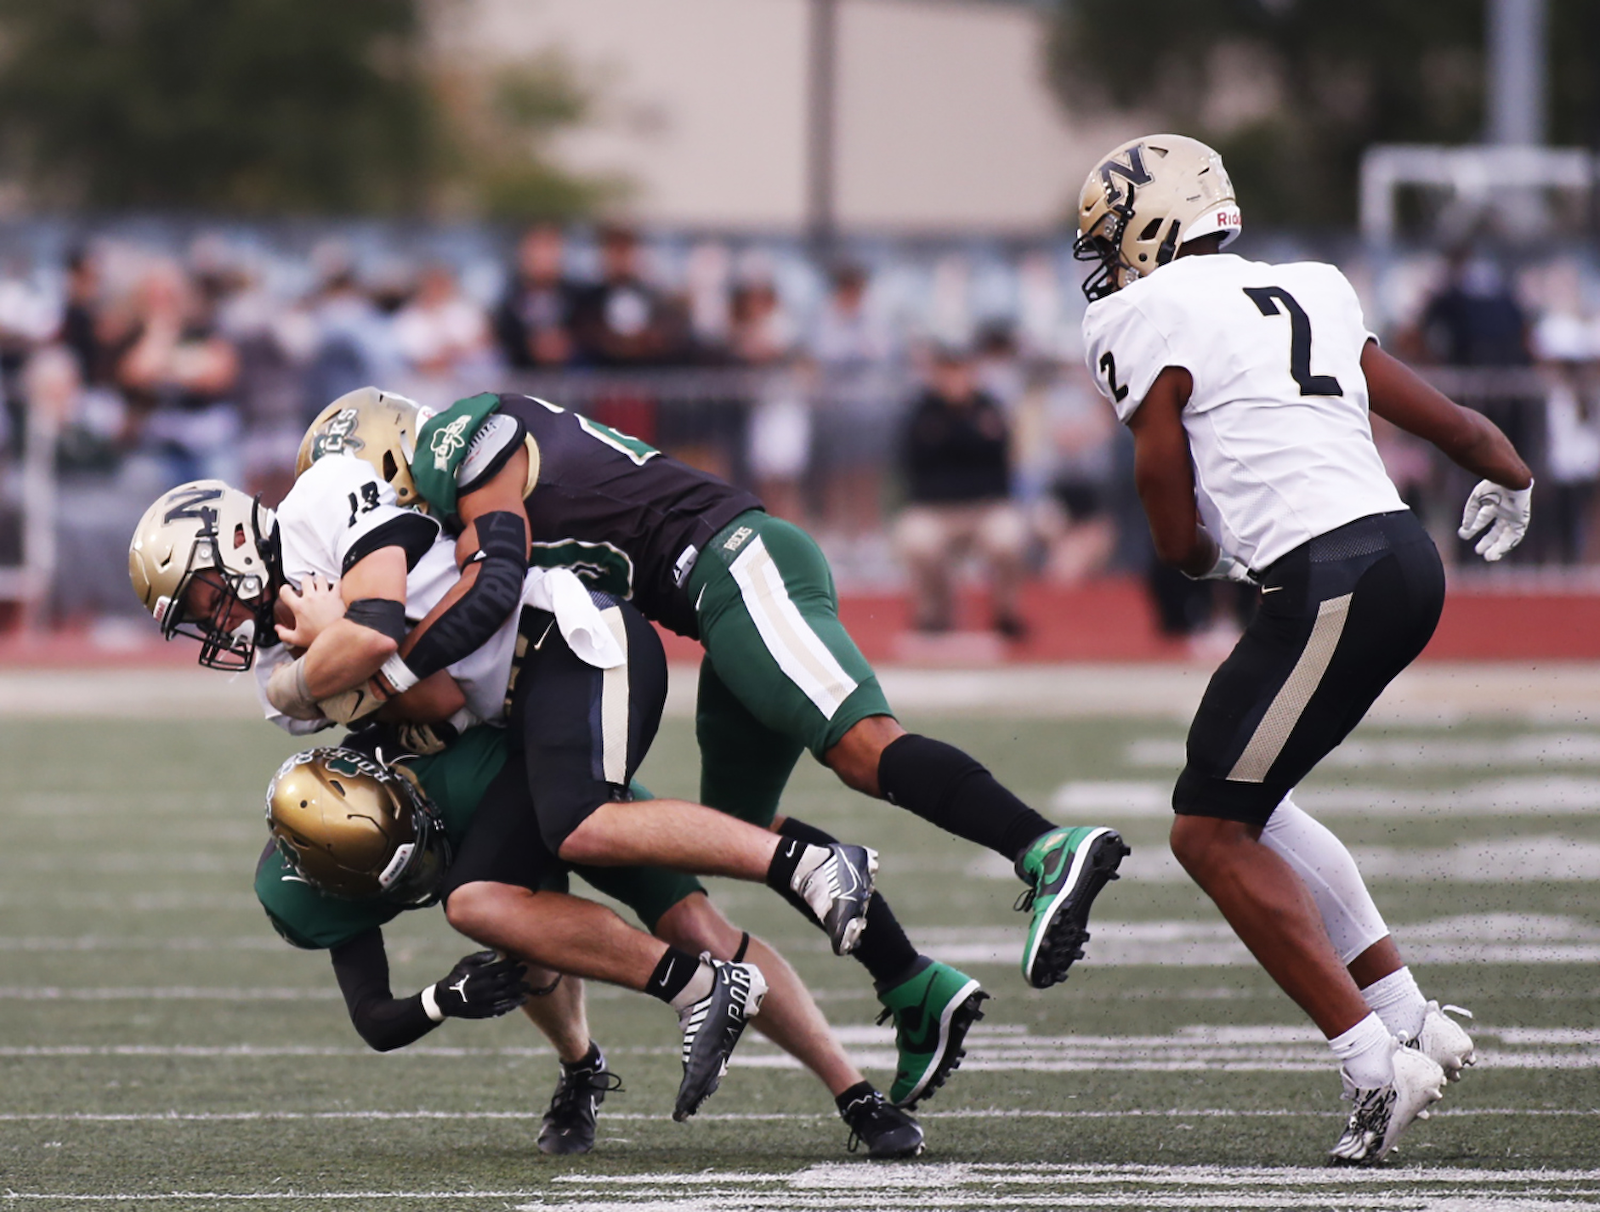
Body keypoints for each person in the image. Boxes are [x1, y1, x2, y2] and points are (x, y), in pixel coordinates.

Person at [295, 386, 1131, 1111]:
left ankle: (1040, 847)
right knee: (737, 834)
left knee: (861, 749)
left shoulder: (462, 437)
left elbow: (498, 586)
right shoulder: (446, 507)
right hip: (709, 601)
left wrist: (372, 661)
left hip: (736, 561)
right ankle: (911, 984)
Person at [1075, 133, 1532, 1164]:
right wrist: (1504, 464)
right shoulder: (1310, 287)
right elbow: (1436, 413)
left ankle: (1374, 1063)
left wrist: (1190, 557)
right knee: (1246, 802)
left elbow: (1160, 480)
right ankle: (1408, 1017)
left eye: (1113, 234)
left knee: (1206, 830)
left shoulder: (1141, 314)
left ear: (1154, 222)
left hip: (1327, 576)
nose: (1106, 261)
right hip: (1397, 560)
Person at [256, 732, 924, 1158]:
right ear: (332, 882)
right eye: (400, 875)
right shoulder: (302, 893)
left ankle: (856, 1093)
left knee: (696, 928)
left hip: (539, 781)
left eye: (421, 850)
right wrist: (441, 999)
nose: (425, 871)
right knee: (513, 935)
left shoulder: (452, 768)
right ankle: (582, 1069)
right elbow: (372, 1017)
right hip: (486, 833)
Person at [893, 344, 1030, 638]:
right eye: (948, 370)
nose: (954, 378)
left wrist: (953, 437)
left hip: (985, 508)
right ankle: (936, 611)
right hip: (936, 509)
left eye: (960, 369)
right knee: (917, 538)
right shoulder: (921, 410)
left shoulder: (990, 406)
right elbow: (913, 466)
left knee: (1009, 534)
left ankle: (1006, 610)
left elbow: (1002, 462)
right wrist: (968, 436)